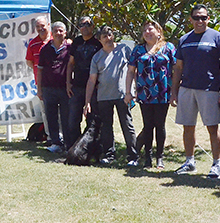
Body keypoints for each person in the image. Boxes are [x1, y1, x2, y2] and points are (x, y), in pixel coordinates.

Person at [171, 4, 220, 178]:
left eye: (203, 17)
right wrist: (174, 91)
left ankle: (216, 165)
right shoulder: (184, 40)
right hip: (187, 89)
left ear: (208, 19)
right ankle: (190, 162)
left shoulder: (218, 38)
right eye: (196, 17)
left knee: (212, 127)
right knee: (187, 127)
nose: (200, 21)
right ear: (190, 20)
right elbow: (178, 68)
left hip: (209, 90)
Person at [84, 25, 139, 166]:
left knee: (127, 125)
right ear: (99, 40)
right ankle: (109, 155)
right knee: (106, 127)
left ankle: (133, 156)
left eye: (110, 35)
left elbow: (134, 70)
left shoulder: (124, 49)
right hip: (103, 97)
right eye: (104, 36)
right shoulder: (97, 57)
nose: (108, 38)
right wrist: (87, 101)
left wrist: (135, 90)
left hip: (123, 95)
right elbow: (91, 80)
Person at [125, 21, 176, 170]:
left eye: (150, 29)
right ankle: (148, 157)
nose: (147, 32)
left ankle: (160, 157)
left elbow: (177, 69)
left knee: (160, 125)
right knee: (148, 126)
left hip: (163, 93)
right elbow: (130, 71)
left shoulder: (168, 48)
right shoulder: (138, 50)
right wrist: (128, 92)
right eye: (145, 30)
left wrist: (175, 91)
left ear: (158, 32)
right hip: (144, 93)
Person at [65, 16, 102, 151]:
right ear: (79, 27)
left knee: (92, 120)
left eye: (88, 24)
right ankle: (73, 148)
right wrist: (68, 83)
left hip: (93, 88)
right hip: (77, 87)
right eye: (82, 24)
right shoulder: (77, 42)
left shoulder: (98, 43)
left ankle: (91, 149)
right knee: (73, 120)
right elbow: (70, 64)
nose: (84, 27)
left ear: (92, 27)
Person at [37, 21, 71, 153]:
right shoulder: (45, 49)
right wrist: (39, 89)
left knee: (66, 117)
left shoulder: (69, 49)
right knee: (51, 117)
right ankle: (55, 142)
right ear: (52, 32)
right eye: (55, 30)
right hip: (48, 88)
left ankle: (68, 144)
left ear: (65, 33)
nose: (58, 33)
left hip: (64, 89)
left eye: (60, 31)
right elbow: (39, 70)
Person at [25, 16, 51, 82]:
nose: (40, 28)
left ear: (48, 25)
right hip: (41, 82)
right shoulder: (32, 44)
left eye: (42, 25)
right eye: (37, 26)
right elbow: (29, 62)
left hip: (57, 82)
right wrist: (38, 69)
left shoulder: (55, 39)